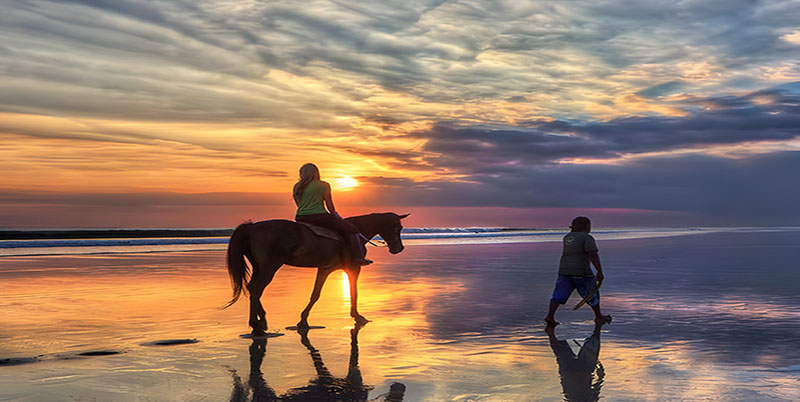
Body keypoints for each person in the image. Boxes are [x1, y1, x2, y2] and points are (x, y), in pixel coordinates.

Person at [293, 163, 372, 267]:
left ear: (302, 173)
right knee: (352, 229)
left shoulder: (297, 186)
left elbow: (298, 204)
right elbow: (329, 205)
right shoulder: (323, 185)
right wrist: (335, 215)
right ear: (316, 172)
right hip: (318, 216)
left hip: (300, 217)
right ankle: (359, 257)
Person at [544, 216, 611, 327]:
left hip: (564, 271)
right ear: (586, 226)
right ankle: (598, 316)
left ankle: (550, 316)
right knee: (591, 293)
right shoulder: (587, 238)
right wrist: (600, 271)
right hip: (582, 272)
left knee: (559, 294)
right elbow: (592, 254)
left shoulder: (567, 237)